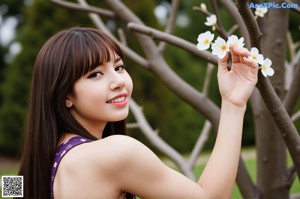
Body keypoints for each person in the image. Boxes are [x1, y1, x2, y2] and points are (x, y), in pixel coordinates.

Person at [18, 27, 258, 199]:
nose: (118, 81)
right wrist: (233, 105)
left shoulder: (41, 161)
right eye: (95, 74)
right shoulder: (116, 153)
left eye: (119, 67)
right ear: (65, 96)